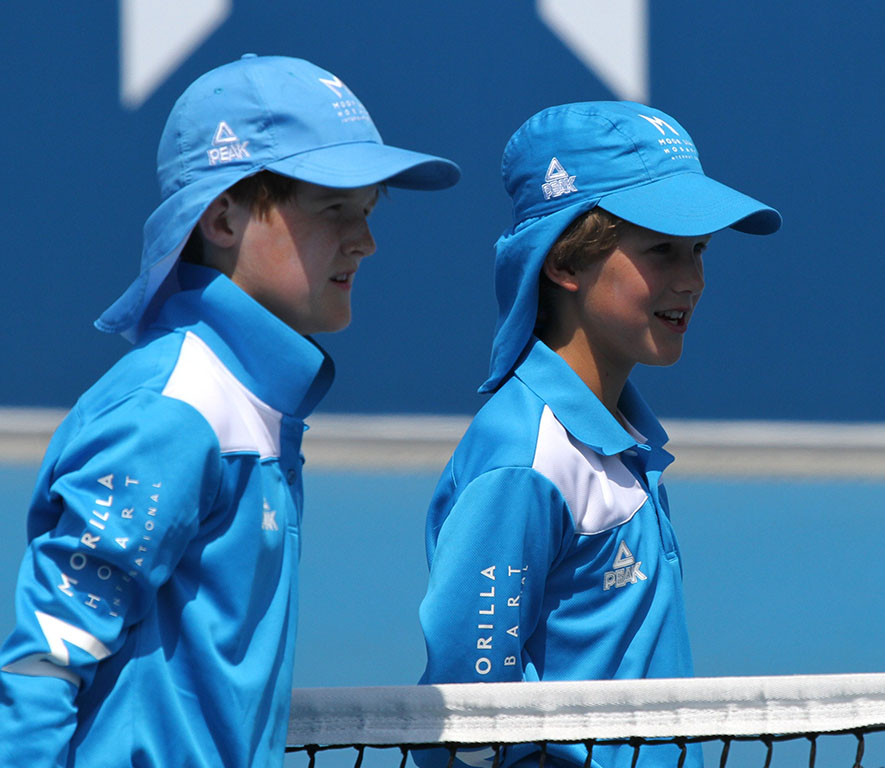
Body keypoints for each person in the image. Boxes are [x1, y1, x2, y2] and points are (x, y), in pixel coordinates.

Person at [0, 53, 459, 767]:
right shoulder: (174, 413)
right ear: (222, 218)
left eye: (366, 212)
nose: (365, 241)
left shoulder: (245, 405)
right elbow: (45, 661)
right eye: (334, 208)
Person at [417, 101, 780, 768]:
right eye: (662, 251)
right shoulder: (526, 460)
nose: (693, 281)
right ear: (565, 262)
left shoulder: (620, 438)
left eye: (698, 251)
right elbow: (468, 726)